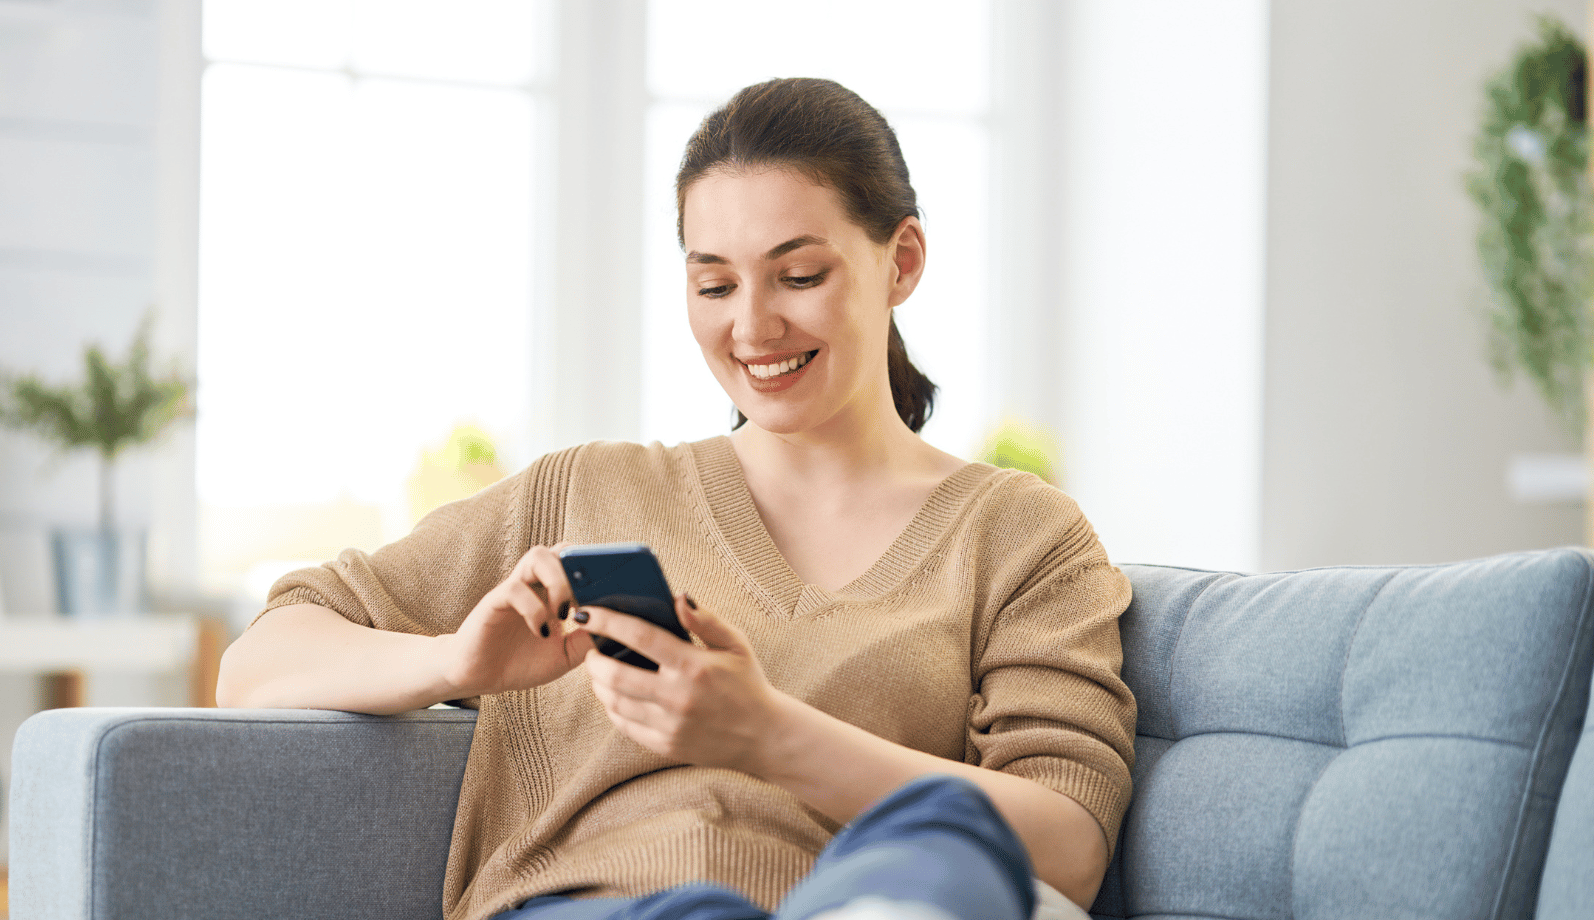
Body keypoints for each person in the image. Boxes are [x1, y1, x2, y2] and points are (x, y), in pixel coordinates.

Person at [218, 77, 1136, 920]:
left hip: (859, 897)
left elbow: (1070, 844)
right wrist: (459, 662)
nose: (752, 326)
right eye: (714, 283)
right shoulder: (587, 491)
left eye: (800, 275)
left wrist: (765, 732)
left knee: (950, 843)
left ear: (901, 261)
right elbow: (257, 666)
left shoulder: (1023, 536)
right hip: (607, 903)